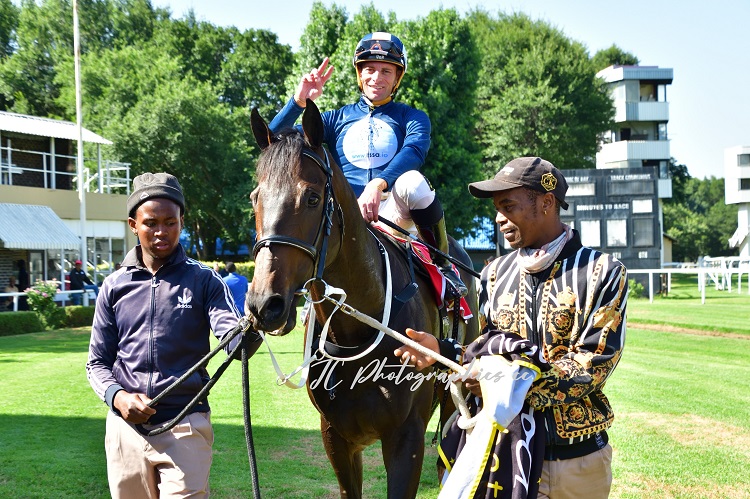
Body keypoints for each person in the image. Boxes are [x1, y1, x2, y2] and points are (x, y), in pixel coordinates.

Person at [395, 157, 628, 499]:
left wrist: (497, 385)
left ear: (546, 202)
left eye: (508, 206)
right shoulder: (493, 274)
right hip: (503, 457)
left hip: (575, 463)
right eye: (497, 209)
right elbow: (488, 353)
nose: (498, 218)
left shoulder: (603, 272)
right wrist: (443, 352)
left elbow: (591, 366)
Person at [86, 172, 262, 498]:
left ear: (182, 221)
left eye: (170, 222)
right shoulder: (113, 286)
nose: (161, 232)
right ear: (133, 225)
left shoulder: (205, 280)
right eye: (151, 223)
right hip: (125, 430)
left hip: (185, 427)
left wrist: (254, 326)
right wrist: (118, 397)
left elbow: (233, 340)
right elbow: (96, 363)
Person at [268, 32, 467, 297]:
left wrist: (377, 184)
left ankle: (443, 265)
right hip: (344, 216)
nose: (376, 78)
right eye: (369, 69)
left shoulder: (413, 117)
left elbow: (414, 151)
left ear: (397, 78)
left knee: (413, 182)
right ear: (359, 74)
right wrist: (298, 102)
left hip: (394, 211)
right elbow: (274, 140)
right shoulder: (335, 119)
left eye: (386, 71)